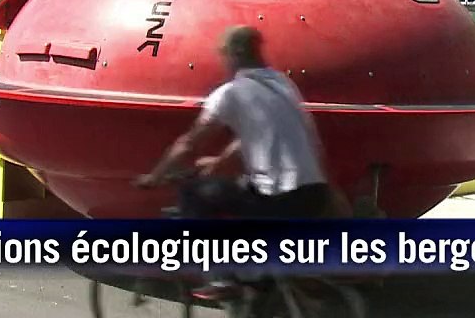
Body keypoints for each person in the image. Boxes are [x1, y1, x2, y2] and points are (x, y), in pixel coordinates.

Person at [136, 25, 331, 217]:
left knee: (193, 192)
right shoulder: (283, 83)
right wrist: (219, 163)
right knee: (242, 184)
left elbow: (188, 144)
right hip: (315, 196)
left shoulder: (229, 93)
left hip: (278, 199)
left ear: (232, 55)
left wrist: (154, 176)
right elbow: (252, 138)